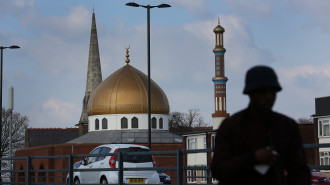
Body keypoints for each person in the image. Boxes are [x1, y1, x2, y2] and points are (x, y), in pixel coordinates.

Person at [211, 66, 311, 185]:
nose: (269, 97)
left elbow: (299, 172)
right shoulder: (231, 126)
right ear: (251, 94)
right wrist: (253, 158)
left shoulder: (287, 126)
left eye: (272, 92)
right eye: (263, 92)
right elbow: (218, 170)